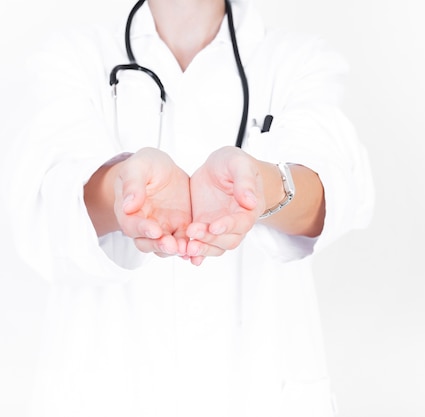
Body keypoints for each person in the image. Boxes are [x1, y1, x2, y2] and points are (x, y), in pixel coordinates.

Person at [2, 0, 374, 415]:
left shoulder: (297, 61)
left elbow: (334, 188)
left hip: (258, 388)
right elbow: (43, 200)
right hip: (107, 386)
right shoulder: (73, 57)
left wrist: (261, 187)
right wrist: (123, 190)